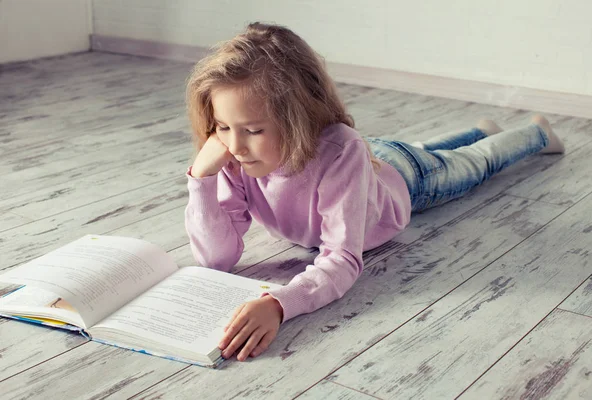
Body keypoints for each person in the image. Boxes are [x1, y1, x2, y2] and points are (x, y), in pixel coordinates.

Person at [184, 22, 565, 362]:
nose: (234, 145)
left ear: (298, 119)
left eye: (253, 130)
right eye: (221, 127)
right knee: (421, 149)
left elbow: (342, 258)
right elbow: (216, 259)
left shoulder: (340, 150)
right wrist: (200, 179)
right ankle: (481, 127)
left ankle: (537, 132)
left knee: (474, 163)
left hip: (406, 180)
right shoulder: (234, 156)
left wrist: (281, 304)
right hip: (375, 157)